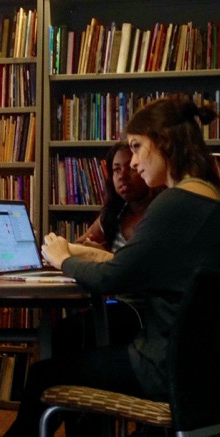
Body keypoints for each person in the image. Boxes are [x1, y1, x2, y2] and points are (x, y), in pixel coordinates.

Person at [4, 96, 220, 436]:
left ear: (163, 142)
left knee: (44, 374)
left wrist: (64, 259)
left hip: (160, 367)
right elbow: (142, 266)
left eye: (136, 147)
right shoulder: (209, 200)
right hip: (201, 372)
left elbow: (113, 278)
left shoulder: (173, 204)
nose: (132, 162)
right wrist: (84, 254)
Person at [52, 141, 158, 357]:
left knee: (67, 332)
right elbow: (79, 245)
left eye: (130, 167)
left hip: (144, 314)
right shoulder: (114, 214)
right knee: (67, 329)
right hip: (116, 303)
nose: (122, 176)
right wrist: (89, 250)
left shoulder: (158, 214)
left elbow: (132, 270)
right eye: (116, 169)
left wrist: (101, 256)